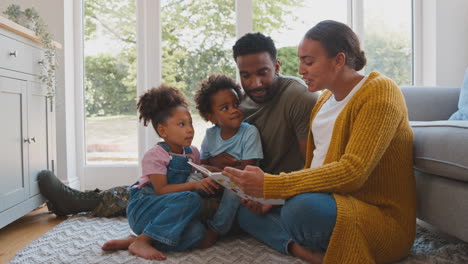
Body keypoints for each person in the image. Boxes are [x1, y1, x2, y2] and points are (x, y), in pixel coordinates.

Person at [37, 32, 318, 217]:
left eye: (263, 73)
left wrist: (276, 193)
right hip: (231, 181)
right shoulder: (241, 101)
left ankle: (84, 203)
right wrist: (211, 162)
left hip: (263, 189)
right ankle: (84, 201)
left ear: (278, 66)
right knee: (166, 177)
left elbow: (311, 163)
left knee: (174, 195)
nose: (255, 83)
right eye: (246, 75)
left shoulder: (297, 97)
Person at [222, 20, 416, 264]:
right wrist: (272, 199)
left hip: (378, 220)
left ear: (338, 60)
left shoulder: (380, 92)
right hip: (332, 202)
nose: (301, 69)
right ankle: (305, 252)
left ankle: (303, 236)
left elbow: (352, 172)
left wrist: (274, 187)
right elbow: (314, 170)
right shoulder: (323, 101)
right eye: (301, 61)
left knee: (300, 209)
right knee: (245, 210)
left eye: (309, 61)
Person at [102, 85, 220, 260]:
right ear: (163, 130)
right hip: (144, 209)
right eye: (181, 124)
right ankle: (143, 240)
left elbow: (197, 174)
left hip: (168, 215)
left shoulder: (192, 152)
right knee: (190, 197)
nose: (190, 129)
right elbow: (161, 190)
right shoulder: (156, 155)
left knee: (198, 234)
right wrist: (195, 185)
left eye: (190, 123)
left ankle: (136, 240)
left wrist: (213, 172)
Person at [194, 73, 263, 239]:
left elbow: (247, 169)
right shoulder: (211, 135)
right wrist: (208, 166)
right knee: (191, 178)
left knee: (234, 187)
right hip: (217, 183)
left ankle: (216, 230)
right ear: (211, 117)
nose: (234, 110)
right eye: (225, 108)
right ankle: (185, 214)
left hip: (242, 185)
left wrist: (218, 167)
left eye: (236, 104)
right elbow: (204, 163)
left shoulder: (249, 132)